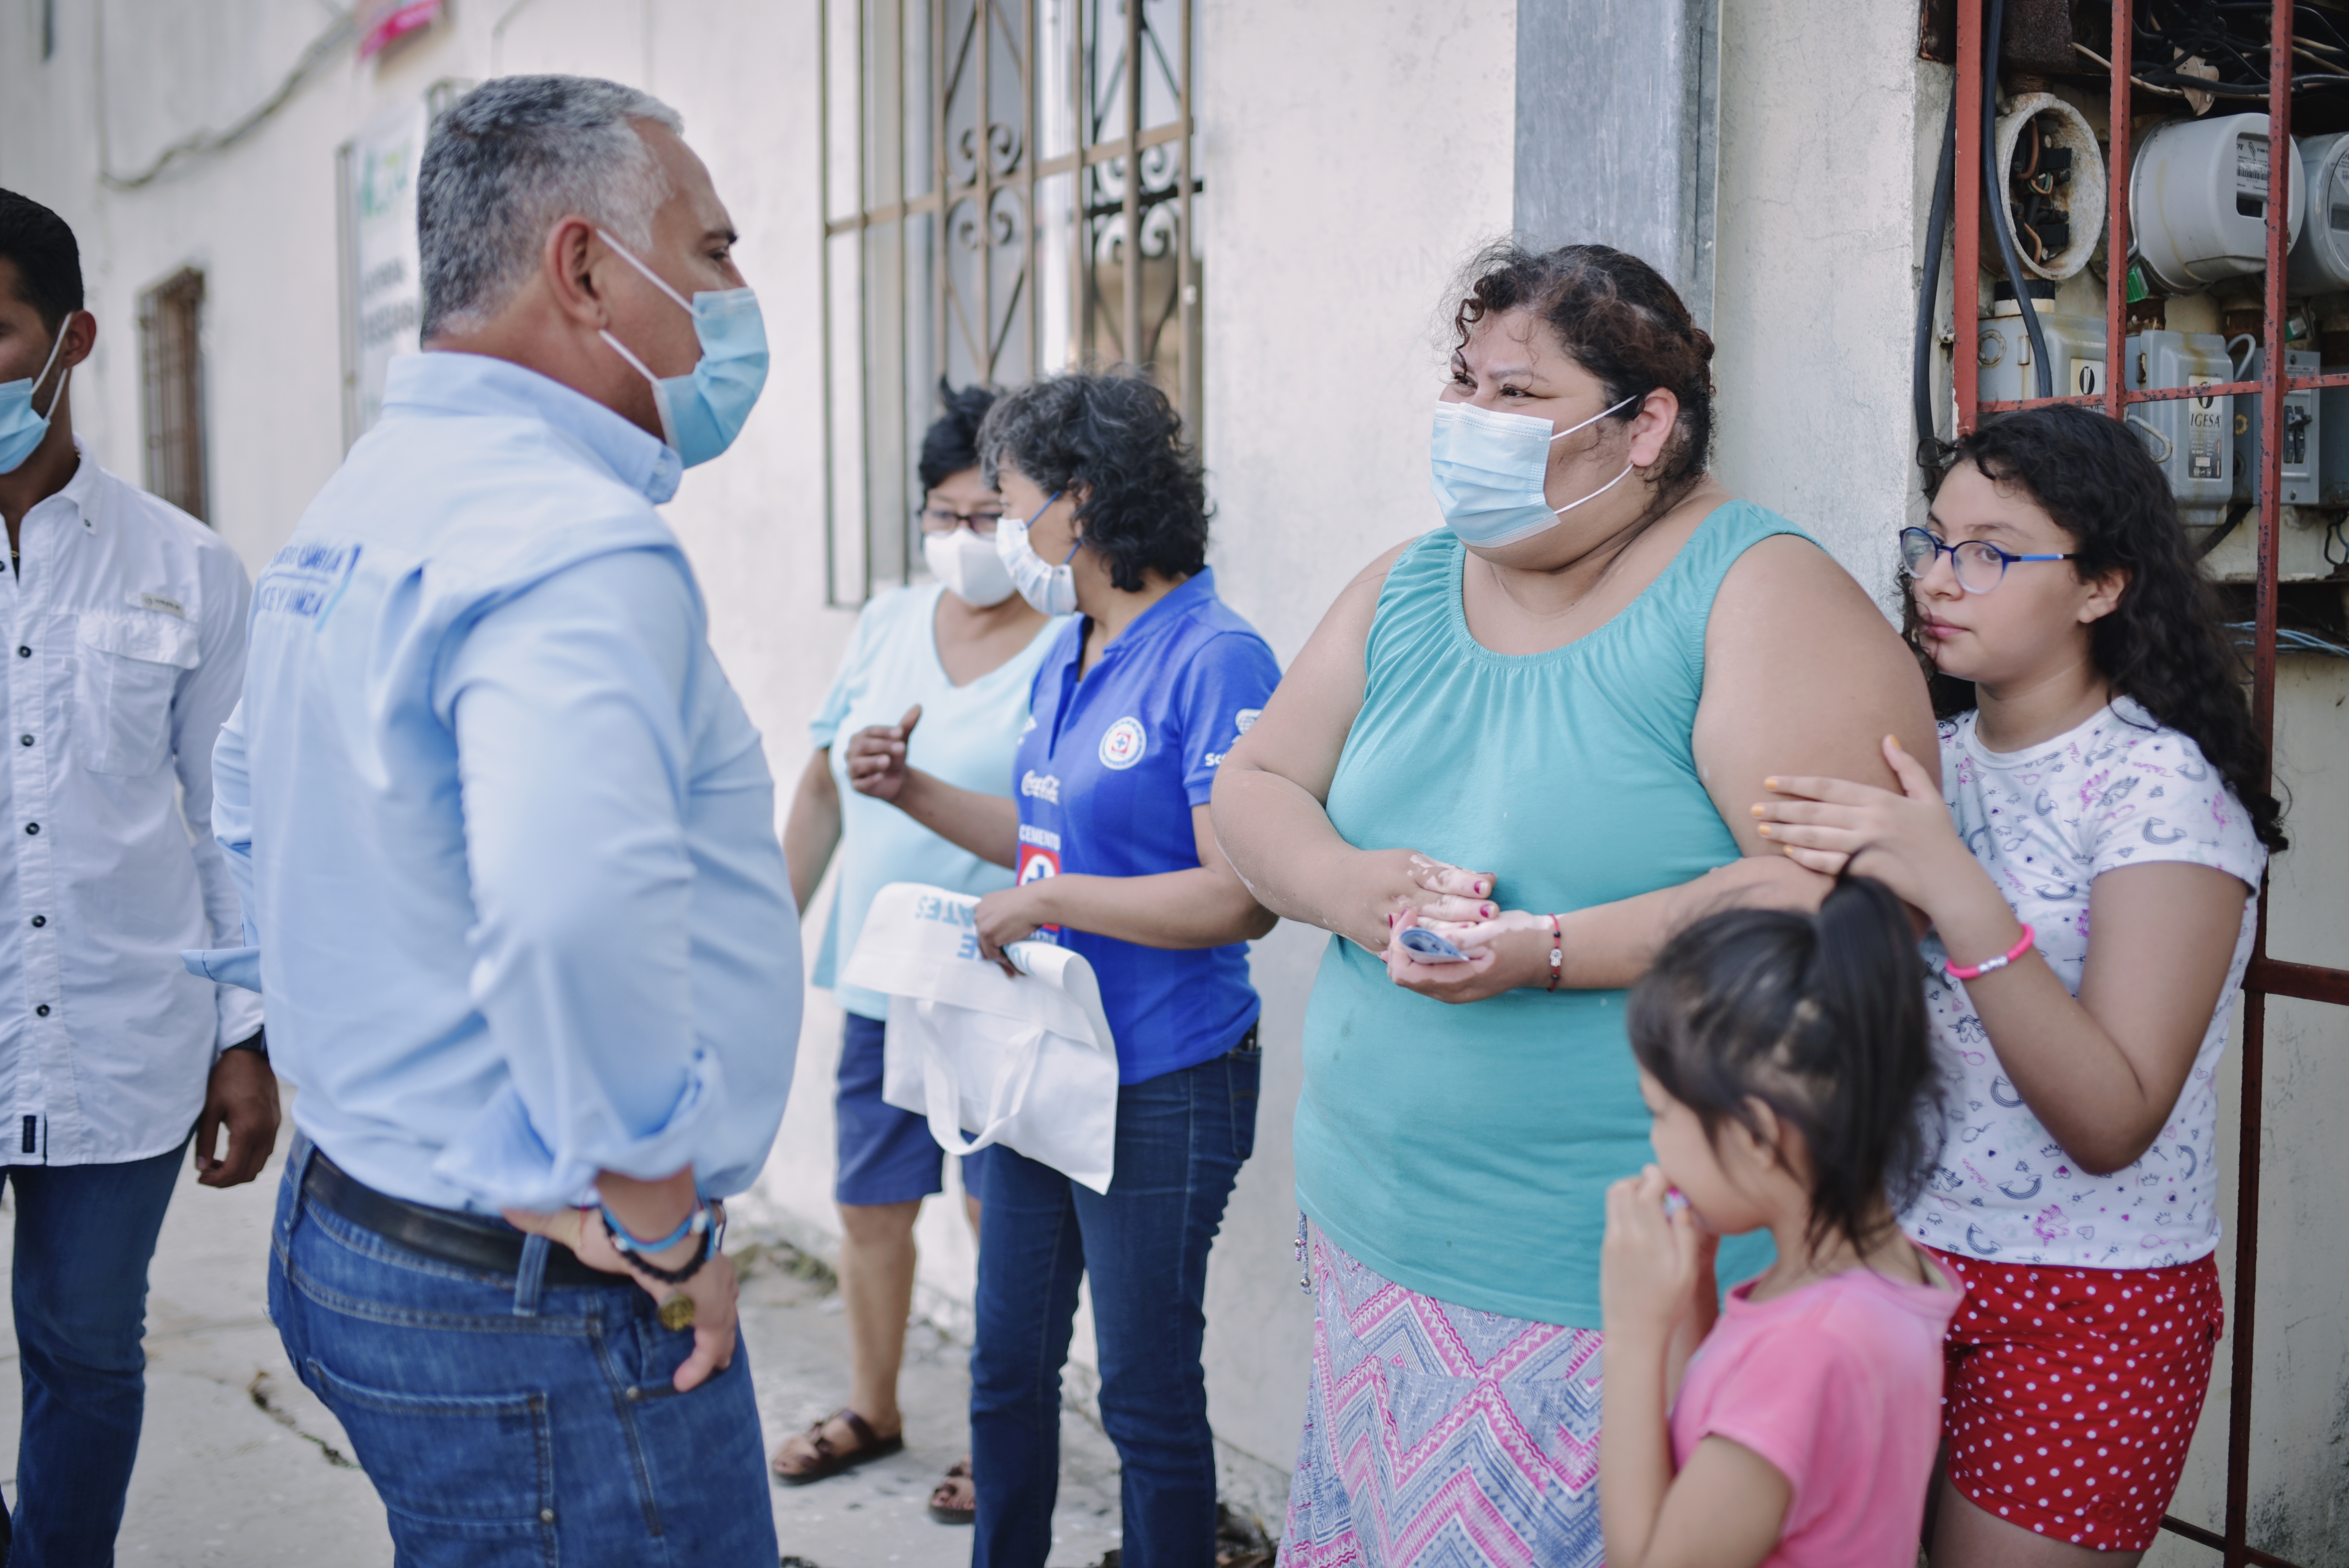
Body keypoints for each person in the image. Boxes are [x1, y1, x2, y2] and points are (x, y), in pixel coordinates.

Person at [1210, 242, 1936, 1567]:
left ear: (1644, 424)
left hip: (1598, 1278)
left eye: (1515, 394)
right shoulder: (1407, 582)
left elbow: (1842, 886)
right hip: (1372, 1238)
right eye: (1461, 385)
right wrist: (1349, 888)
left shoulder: (1756, 592)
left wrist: (1545, 950)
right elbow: (1255, 785)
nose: (1468, 426)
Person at [214, 77, 798, 1563]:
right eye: (714, 251)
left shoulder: (369, 500)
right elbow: (573, 916)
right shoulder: (565, 539)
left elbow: (246, 800)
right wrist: (666, 1230)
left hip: (361, 1218)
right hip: (543, 1302)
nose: (734, 298)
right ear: (588, 268)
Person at [1754, 405, 2282, 1566]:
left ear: (2101, 586)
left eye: (1989, 552)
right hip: (1885, 1259)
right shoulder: (1917, 758)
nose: (1940, 580)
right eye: (1930, 543)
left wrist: (1958, 888)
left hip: (2086, 1309)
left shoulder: (2160, 789)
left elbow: (2112, 1117)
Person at [850, 369, 1280, 1568]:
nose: (993, 532)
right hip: (1038, 1066)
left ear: (1080, 504)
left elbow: (1239, 897)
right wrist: (912, 792)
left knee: (1143, 1395)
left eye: (1008, 502)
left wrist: (1048, 900)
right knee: (1006, 1370)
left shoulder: (1217, 657)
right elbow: (1043, 840)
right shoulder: (1070, 648)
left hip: (1165, 1075)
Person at [0, 189, 273, 1563]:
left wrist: (245, 1036)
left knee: (88, 1349)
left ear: (73, 340)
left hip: (124, 1042)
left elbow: (228, 819)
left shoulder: (187, 568)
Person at [770, 380, 1062, 1523]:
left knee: (1005, 1222)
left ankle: (1005, 1441)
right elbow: (821, 791)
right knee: (874, 1205)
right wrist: (766, 937)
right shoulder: (889, 622)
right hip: (879, 975)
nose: (965, 540)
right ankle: (873, 1405)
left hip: (1000, 984)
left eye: (989, 514)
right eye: (944, 516)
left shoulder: (1070, 636)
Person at [1597, 875, 1962, 1568]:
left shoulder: (1809, 1351)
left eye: (1662, 1115)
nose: (1655, 1146)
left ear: (1758, 1137)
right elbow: (1703, 1442)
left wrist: (1633, 1336)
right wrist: (1695, 1291)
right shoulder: (1880, 1282)